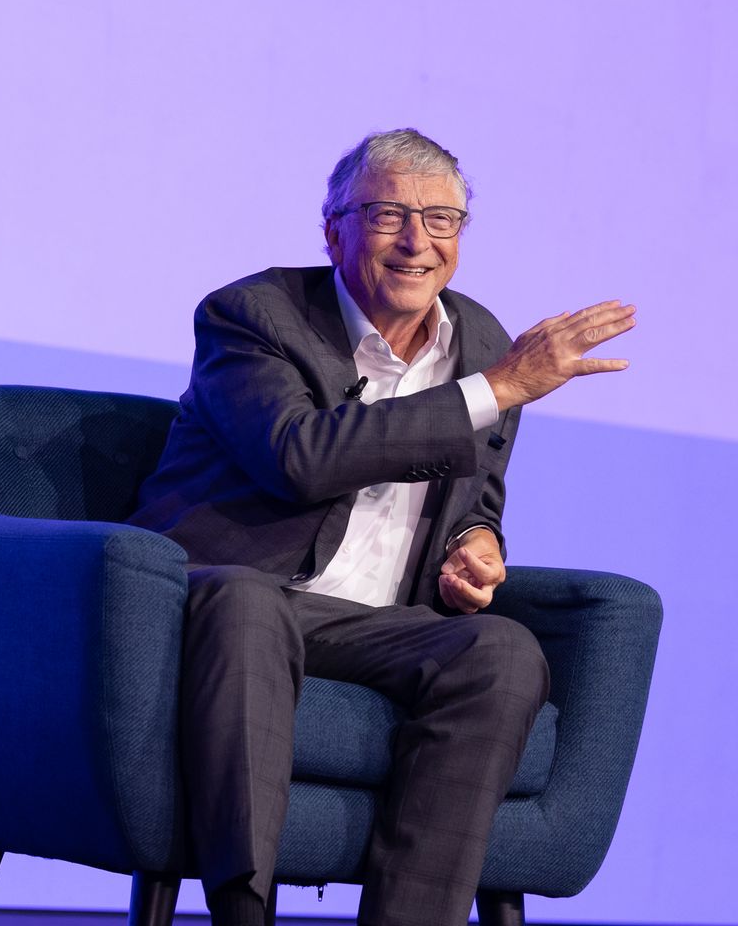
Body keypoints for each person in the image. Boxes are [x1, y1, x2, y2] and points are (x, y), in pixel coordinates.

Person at [126, 129, 636, 926]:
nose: (417, 242)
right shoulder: (252, 316)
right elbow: (297, 457)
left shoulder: (482, 341)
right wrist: (494, 389)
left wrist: (478, 543)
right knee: (248, 606)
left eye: (442, 220)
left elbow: (479, 495)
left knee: (502, 651)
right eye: (389, 213)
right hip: (230, 593)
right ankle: (241, 909)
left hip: (376, 624)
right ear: (333, 229)